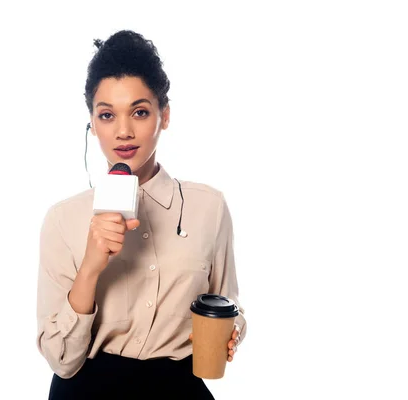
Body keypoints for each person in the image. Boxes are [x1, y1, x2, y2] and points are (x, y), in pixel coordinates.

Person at [36, 30, 247, 399]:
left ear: (164, 116)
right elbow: (62, 360)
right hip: (87, 391)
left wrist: (233, 331)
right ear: (92, 123)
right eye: (106, 115)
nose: (123, 131)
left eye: (139, 112)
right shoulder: (63, 219)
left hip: (178, 389)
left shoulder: (208, 207)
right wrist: (90, 267)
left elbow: (226, 304)